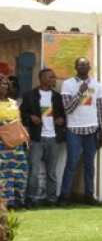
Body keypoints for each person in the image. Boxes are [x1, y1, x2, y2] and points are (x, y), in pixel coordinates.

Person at [59, 57, 102, 206]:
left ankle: (89, 195)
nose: (83, 67)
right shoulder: (67, 84)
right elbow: (68, 109)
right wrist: (80, 92)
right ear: (75, 67)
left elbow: (101, 111)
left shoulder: (97, 85)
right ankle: (65, 196)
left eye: (86, 64)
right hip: (74, 129)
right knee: (71, 163)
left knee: (89, 165)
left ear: (89, 67)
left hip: (91, 130)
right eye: (80, 64)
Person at [20, 69, 66, 208]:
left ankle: (51, 199)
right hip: (37, 138)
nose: (54, 80)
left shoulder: (58, 97)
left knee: (51, 172)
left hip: (54, 138)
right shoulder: (30, 96)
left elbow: (65, 114)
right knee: (33, 170)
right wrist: (30, 118)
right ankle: (30, 199)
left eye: (54, 77)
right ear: (42, 79)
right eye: (51, 77)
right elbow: (22, 114)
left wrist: (61, 119)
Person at [0, 74, 28, 210]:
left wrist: (25, 139)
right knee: (3, 174)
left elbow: (19, 121)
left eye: (6, 84)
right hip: (1, 144)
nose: (4, 86)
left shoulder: (13, 102)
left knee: (19, 172)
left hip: (17, 144)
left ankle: (17, 201)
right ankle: (5, 203)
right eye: (1, 84)